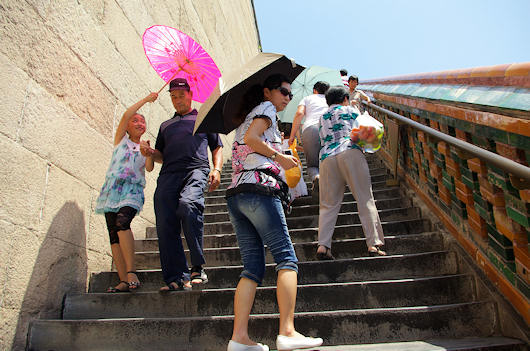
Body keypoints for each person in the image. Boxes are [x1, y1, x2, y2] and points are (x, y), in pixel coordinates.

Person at [226, 74, 323, 351]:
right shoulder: (266, 109)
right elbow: (252, 138)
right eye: (283, 91)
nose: (288, 97)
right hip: (259, 190)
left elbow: (249, 141)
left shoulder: (253, 114)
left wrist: (279, 150)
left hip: (238, 194)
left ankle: (239, 338)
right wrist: (280, 157)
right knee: (286, 258)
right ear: (267, 92)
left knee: (252, 267)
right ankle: (287, 331)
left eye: (290, 94)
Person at [140, 78, 223, 291]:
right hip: (169, 173)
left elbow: (217, 147)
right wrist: (150, 152)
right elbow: (161, 155)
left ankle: (197, 267)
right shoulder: (165, 125)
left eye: (180, 95)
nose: (177, 100)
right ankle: (175, 276)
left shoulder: (203, 118)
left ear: (190, 94)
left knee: (188, 205)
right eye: (173, 97)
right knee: (165, 219)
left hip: (196, 170)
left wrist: (217, 169)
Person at [95, 92, 157, 292]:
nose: (139, 123)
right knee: (113, 233)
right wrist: (146, 99)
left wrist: (148, 154)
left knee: (123, 223)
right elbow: (125, 114)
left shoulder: (145, 145)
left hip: (132, 191)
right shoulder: (121, 140)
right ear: (128, 125)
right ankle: (123, 280)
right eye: (135, 120)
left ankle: (131, 272)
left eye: (142, 121)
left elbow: (148, 169)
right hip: (112, 190)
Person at [316, 85, 386, 260]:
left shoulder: (321, 117)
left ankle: (323, 246)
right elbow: (363, 132)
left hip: (326, 157)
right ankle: (373, 244)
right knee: (364, 198)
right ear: (345, 98)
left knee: (328, 204)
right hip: (349, 151)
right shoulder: (350, 109)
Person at [288, 81, 330, 198]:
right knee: (329, 161)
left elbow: (299, 113)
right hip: (329, 128)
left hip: (310, 129)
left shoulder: (307, 98)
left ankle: (317, 178)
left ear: (315, 90)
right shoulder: (330, 99)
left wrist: (292, 137)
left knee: (313, 165)